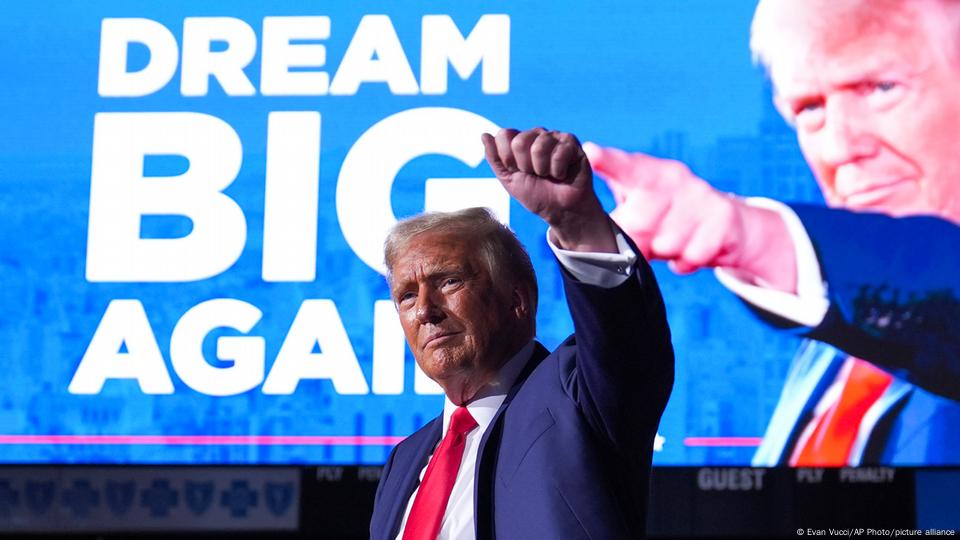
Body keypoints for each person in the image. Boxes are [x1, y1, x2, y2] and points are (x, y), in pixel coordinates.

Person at [584, 0, 960, 466]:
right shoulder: (830, 337)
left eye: (882, 87)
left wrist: (752, 235)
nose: (840, 147)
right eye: (810, 107)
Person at [369, 127, 674, 539]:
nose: (425, 310)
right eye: (407, 297)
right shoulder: (404, 461)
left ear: (518, 300)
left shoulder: (577, 398)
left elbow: (624, 342)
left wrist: (579, 224)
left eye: (449, 282)